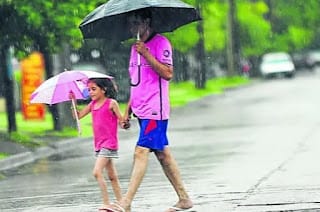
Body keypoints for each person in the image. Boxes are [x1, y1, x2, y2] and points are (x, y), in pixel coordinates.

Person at [109, 8, 193, 212]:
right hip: (140, 109)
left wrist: (146, 53)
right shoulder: (133, 48)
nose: (132, 27)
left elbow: (168, 73)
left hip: (156, 110)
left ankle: (125, 202)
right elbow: (135, 83)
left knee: (140, 151)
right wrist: (127, 111)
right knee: (163, 154)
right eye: (130, 23)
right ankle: (184, 199)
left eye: (136, 22)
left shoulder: (161, 43)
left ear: (146, 22)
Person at [70, 78, 127, 211]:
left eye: (93, 89)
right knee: (112, 175)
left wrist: (124, 123)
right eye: (89, 89)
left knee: (97, 172)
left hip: (109, 143)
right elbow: (77, 116)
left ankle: (106, 203)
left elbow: (121, 121)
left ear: (104, 89)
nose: (90, 92)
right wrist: (72, 102)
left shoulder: (111, 103)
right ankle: (122, 203)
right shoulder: (92, 104)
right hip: (99, 144)